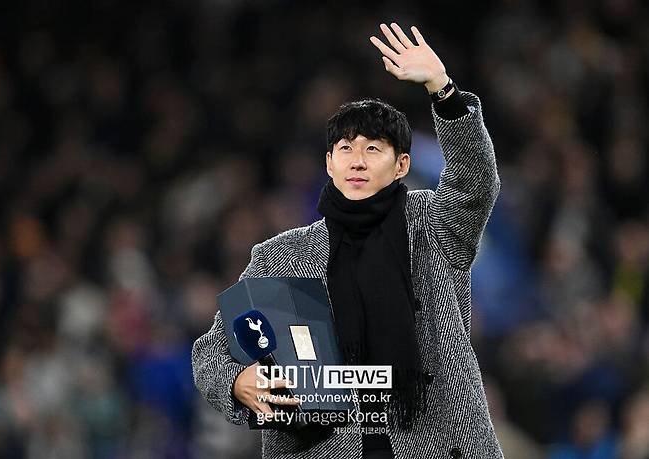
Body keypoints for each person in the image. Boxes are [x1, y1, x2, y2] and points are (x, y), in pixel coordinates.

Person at [192, 22, 504, 459]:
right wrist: (236, 382)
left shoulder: (432, 227)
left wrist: (443, 90)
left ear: (401, 165)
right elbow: (212, 351)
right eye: (345, 148)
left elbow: (476, 182)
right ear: (329, 163)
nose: (357, 161)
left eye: (373, 149)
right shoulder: (282, 256)